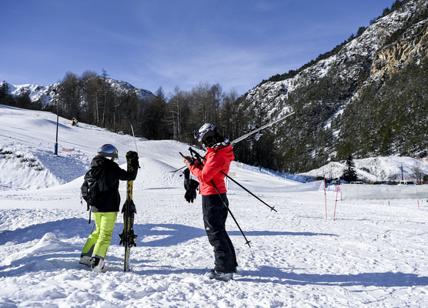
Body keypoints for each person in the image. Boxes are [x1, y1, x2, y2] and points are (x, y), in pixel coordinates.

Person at [184, 123, 238, 281]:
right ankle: (229, 265)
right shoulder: (217, 152)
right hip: (216, 195)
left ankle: (223, 270)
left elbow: (204, 177)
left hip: (213, 197)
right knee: (219, 231)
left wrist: (190, 165)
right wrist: (198, 163)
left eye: (205, 141)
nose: (204, 145)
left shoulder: (216, 154)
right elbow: (208, 169)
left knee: (215, 233)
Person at [80, 144, 139, 272]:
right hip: (108, 207)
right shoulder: (111, 167)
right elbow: (130, 176)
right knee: (105, 234)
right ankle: (97, 263)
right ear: (110, 156)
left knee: (97, 232)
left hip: (95, 207)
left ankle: (85, 256)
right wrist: (134, 161)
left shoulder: (93, 166)